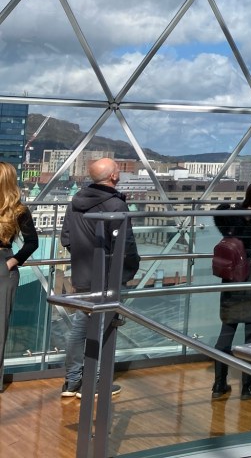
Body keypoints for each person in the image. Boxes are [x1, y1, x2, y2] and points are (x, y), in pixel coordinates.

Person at [60, 158, 140, 399]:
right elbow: (124, 245)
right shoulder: (116, 205)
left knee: (80, 327)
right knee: (104, 328)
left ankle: (72, 380)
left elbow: (66, 238)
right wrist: (128, 271)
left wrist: (83, 261)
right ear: (114, 176)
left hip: (83, 274)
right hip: (107, 277)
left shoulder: (75, 201)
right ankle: (94, 383)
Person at [212, 179, 251, 400]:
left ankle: (219, 383)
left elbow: (219, 214)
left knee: (226, 331)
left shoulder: (235, 216)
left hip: (232, 280)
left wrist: (229, 207)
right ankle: (247, 386)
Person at [0, 161, 38, 392]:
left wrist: (10, 262)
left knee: (0, 326)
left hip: (3, 267)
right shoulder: (19, 209)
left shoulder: (19, 210)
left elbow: (32, 242)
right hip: (5, 268)